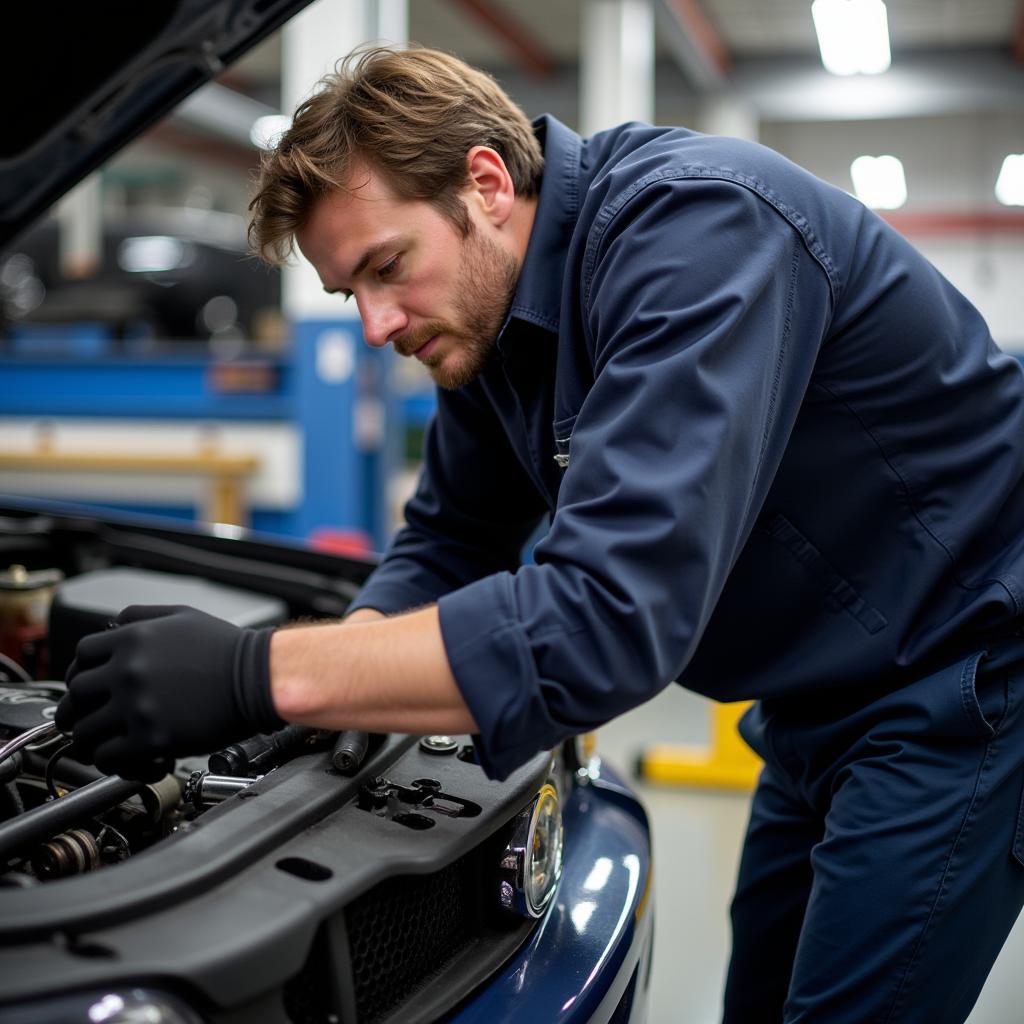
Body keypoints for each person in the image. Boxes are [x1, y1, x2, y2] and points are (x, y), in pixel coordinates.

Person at [55, 46, 1024, 1023]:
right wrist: (336, 680)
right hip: (812, 698)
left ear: (484, 181)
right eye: (353, 294)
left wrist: (253, 674)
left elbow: (605, 620)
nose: (380, 323)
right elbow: (449, 536)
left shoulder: (696, 233)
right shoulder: (486, 317)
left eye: (388, 266)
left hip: (963, 678)